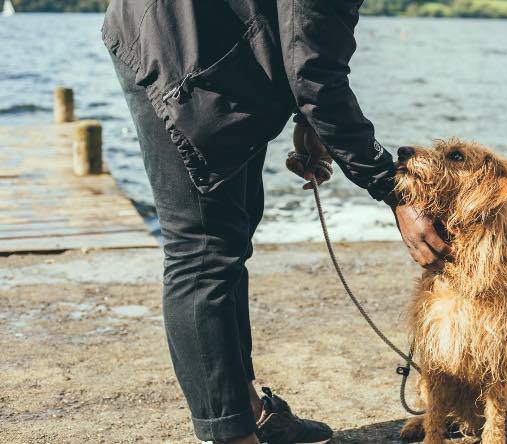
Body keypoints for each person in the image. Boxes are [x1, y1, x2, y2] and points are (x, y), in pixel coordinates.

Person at [102, 1, 449, 443]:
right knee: (203, 251)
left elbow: (302, 39)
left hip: (218, 45)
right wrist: (394, 190)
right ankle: (232, 435)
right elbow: (314, 69)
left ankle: (248, 411)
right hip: (177, 48)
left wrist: (307, 118)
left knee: (231, 237)